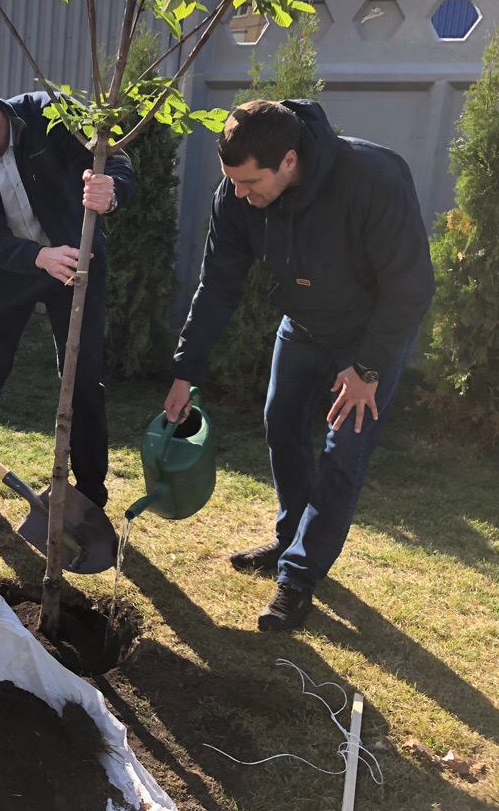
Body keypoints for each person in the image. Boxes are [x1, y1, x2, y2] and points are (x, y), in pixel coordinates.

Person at [166, 99, 435, 631]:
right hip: (304, 325)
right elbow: (218, 285)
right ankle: (291, 536)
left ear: (290, 161)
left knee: (343, 452)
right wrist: (185, 370)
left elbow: (412, 287)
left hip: (369, 339)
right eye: (232, 182)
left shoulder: (372, 177)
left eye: (249, 182)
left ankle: (299, 577)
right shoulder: (236, 195)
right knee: (281, 423)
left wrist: (369, 369)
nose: (239, 194)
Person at [0, 61, 135, 518]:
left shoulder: (52, 115)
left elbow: (114, 158)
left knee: (82, 381)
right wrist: (38, 257)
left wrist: (110, 191)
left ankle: (91, 494)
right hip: (7, 274)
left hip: (78, 266)